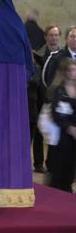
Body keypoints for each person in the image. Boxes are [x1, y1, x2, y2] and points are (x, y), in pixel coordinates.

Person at [33, 25, 62, 174]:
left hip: (56, 100)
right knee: (38, 130)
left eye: (56, 35)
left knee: (53, 132)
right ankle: (38, 163)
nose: (54, 38)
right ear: (46, 37)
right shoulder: (40, 55)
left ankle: (51, 163)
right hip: (40, 97)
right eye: (51, 35)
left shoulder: (63, 56)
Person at [48, 58, 76, 192]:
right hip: (61, 136)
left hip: (74, 137)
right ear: (64, 72)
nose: (71, 73)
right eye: (69, 70)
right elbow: (56, 115)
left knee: (71, 169)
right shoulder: (58, 90)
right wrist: (69, 127)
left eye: (74, 70)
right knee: (59, 169)